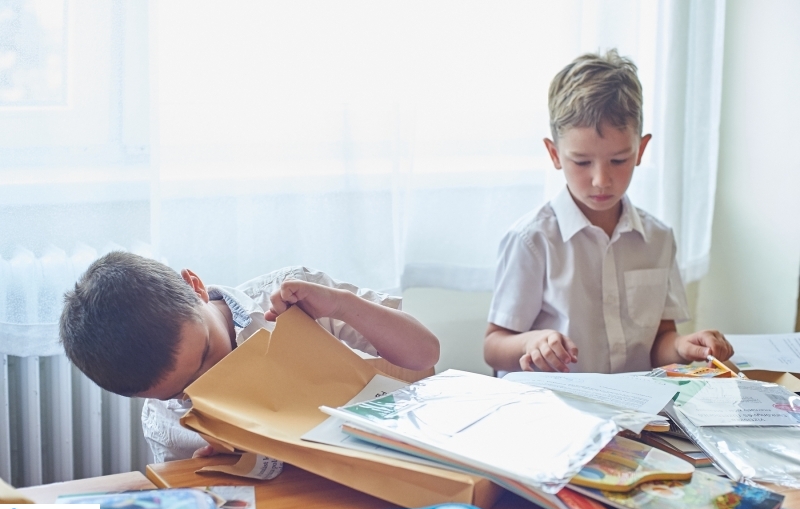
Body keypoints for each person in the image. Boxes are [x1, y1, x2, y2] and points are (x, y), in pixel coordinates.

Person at [484, 49, 733, 375]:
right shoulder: (532, 240)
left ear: (640, 150)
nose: (601, 180)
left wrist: (682, 346)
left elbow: (660, 340)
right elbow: (493, 346)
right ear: (555, 153)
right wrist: (532, 342)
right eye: (582, 162)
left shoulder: (657, 238)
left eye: (618, 160)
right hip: (555, 409)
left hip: (633, 411)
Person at [59, 251, 439, 462]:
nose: (209, 381)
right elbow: (196, 502)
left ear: (196, 288)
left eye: (207, 353)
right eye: (182, 392)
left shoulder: (295, 299)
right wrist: (214, 476)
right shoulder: (165, 422)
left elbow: (424, 354)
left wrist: (341, 306)